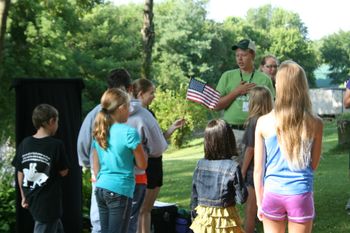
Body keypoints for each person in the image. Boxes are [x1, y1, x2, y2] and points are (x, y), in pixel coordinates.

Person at [254, 61, 323, 233]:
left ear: (279, 86)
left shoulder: (263, 122)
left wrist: (258, 201)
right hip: (300, 193)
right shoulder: (315, 123)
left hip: (272, 193)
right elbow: (313, 165)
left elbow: (258, 170)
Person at [77, 68, 133, 233]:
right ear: (127, 89)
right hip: (116, 179)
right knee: (110, 225)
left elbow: (83, 146)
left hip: (104, 179)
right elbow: (85, 147)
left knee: (103, 225)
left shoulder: (96, 113)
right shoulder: (102, 114)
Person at [131, 78, 185, 233]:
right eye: (151, 93)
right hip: (145, 166)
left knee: (147, 210)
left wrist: (172, 128)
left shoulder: (150, 113)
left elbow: (157, 139)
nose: (154, 96)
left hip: (157, 164)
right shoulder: (133, 114)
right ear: (140, 94)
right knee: (140, 210)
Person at [92, 88, 147, 233]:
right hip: (120, 190)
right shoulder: (129, 133)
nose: (129, 111)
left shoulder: (100, 130)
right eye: (128, 107)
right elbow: (142, 165)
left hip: (101, 188)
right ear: (121, 108)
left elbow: (95, 162)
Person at [12, 104, 70, 233]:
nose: (57, 125)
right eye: (57, 122)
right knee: (44, 226)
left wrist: (23, 195)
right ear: (51, 121)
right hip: (49, 202)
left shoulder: (25, 143)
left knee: (55, 226)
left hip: (32, 198)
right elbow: (64, 171)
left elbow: (20, 171)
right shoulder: (56, 145)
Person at [215, 38, 275, 159]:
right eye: (237, 55)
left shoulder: (264, 79)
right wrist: (236, 92)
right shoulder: (227, 76)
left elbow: (272, 109)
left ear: (252, 55)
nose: (239, 59)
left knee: (252, 172)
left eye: (243, 55)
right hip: (231, 132)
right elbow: (216, 105)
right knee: (231, 173)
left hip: (255, 132)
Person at [190, 119, 247, 233]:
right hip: (226, 222)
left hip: (203, 222)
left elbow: (194, 197)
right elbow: (241, 198)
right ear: (229, 140)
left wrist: (193, 218)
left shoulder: (200, 165)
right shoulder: (233, 167)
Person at [241, 86, 273, 233]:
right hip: (270, 171)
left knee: (250, 210)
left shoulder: (254, 121)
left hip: (254, 171)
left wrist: (242, 170)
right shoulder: (272, 120)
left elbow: (250, 149)